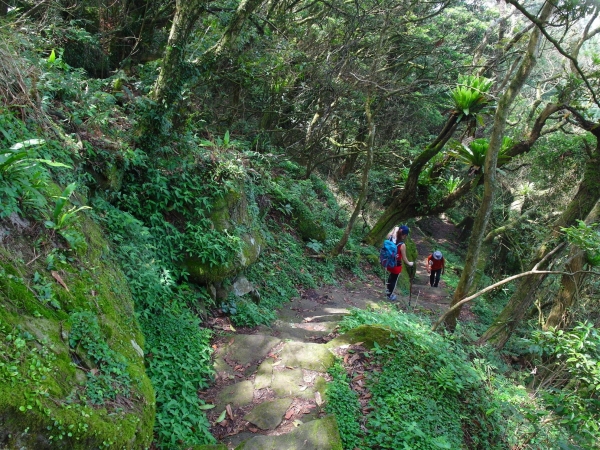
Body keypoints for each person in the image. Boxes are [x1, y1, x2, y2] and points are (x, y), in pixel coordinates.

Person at [385, 225, 414, 301]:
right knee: (394, 279)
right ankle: (389, 296)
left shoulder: (390, 237)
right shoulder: (402, 244)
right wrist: (410, 263)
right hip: (396, 265)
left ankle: (387, 292)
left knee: (390, 277)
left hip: (388, 262)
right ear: (404, 235)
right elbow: (404, 258)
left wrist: (393, 230)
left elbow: (388, 236)